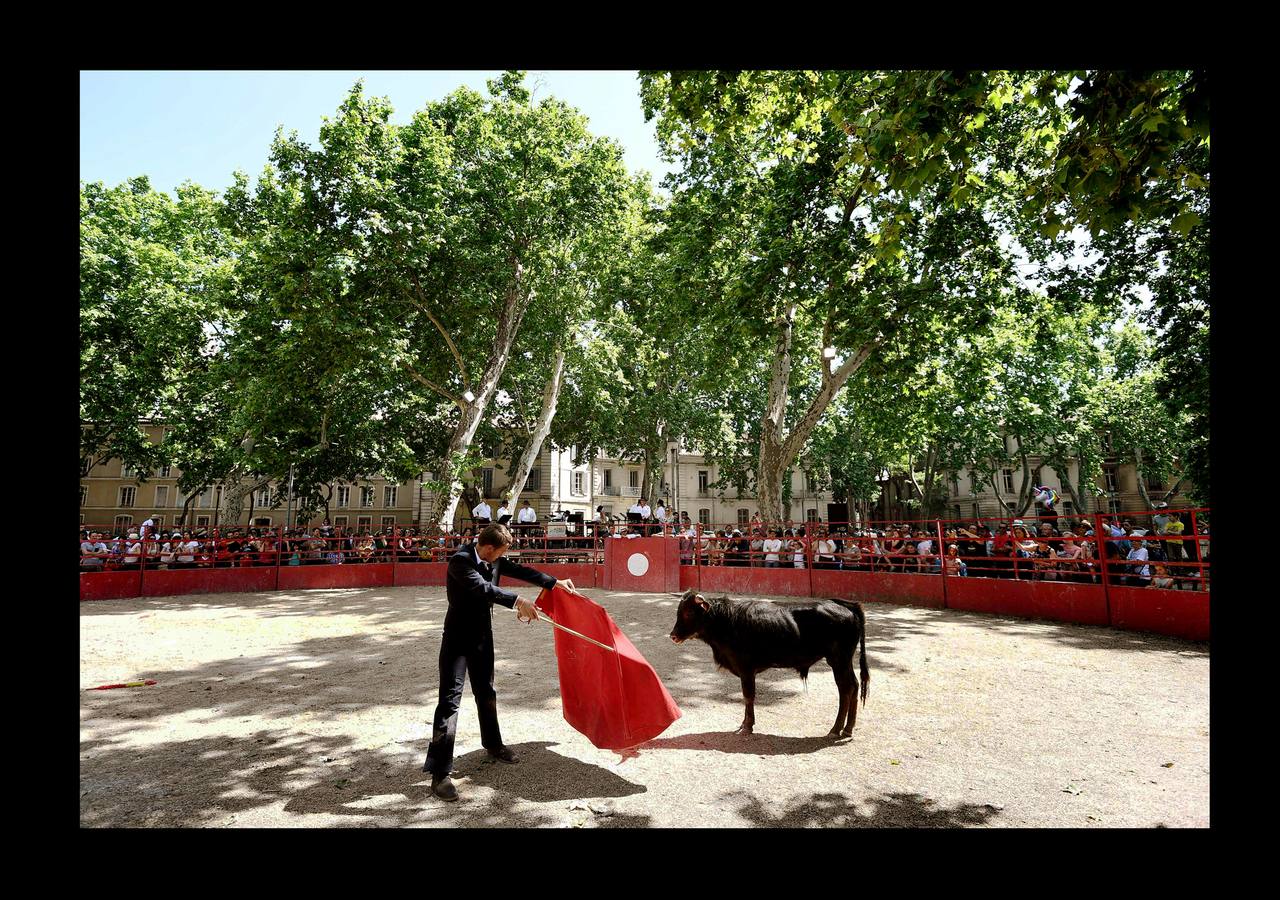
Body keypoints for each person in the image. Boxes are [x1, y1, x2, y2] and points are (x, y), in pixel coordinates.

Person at [423, 524, 575, 802]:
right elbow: (483, 589)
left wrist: (554, 582)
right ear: (489, 548)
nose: (502, 558)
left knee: (486, 693)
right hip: (456, 640)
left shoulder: (494, 558)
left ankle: (493, 745)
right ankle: (439, 773)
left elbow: (522, 571)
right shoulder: (461, 561)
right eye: (501, 552)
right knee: (449, 702)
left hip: (482, 637)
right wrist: (518, 601)